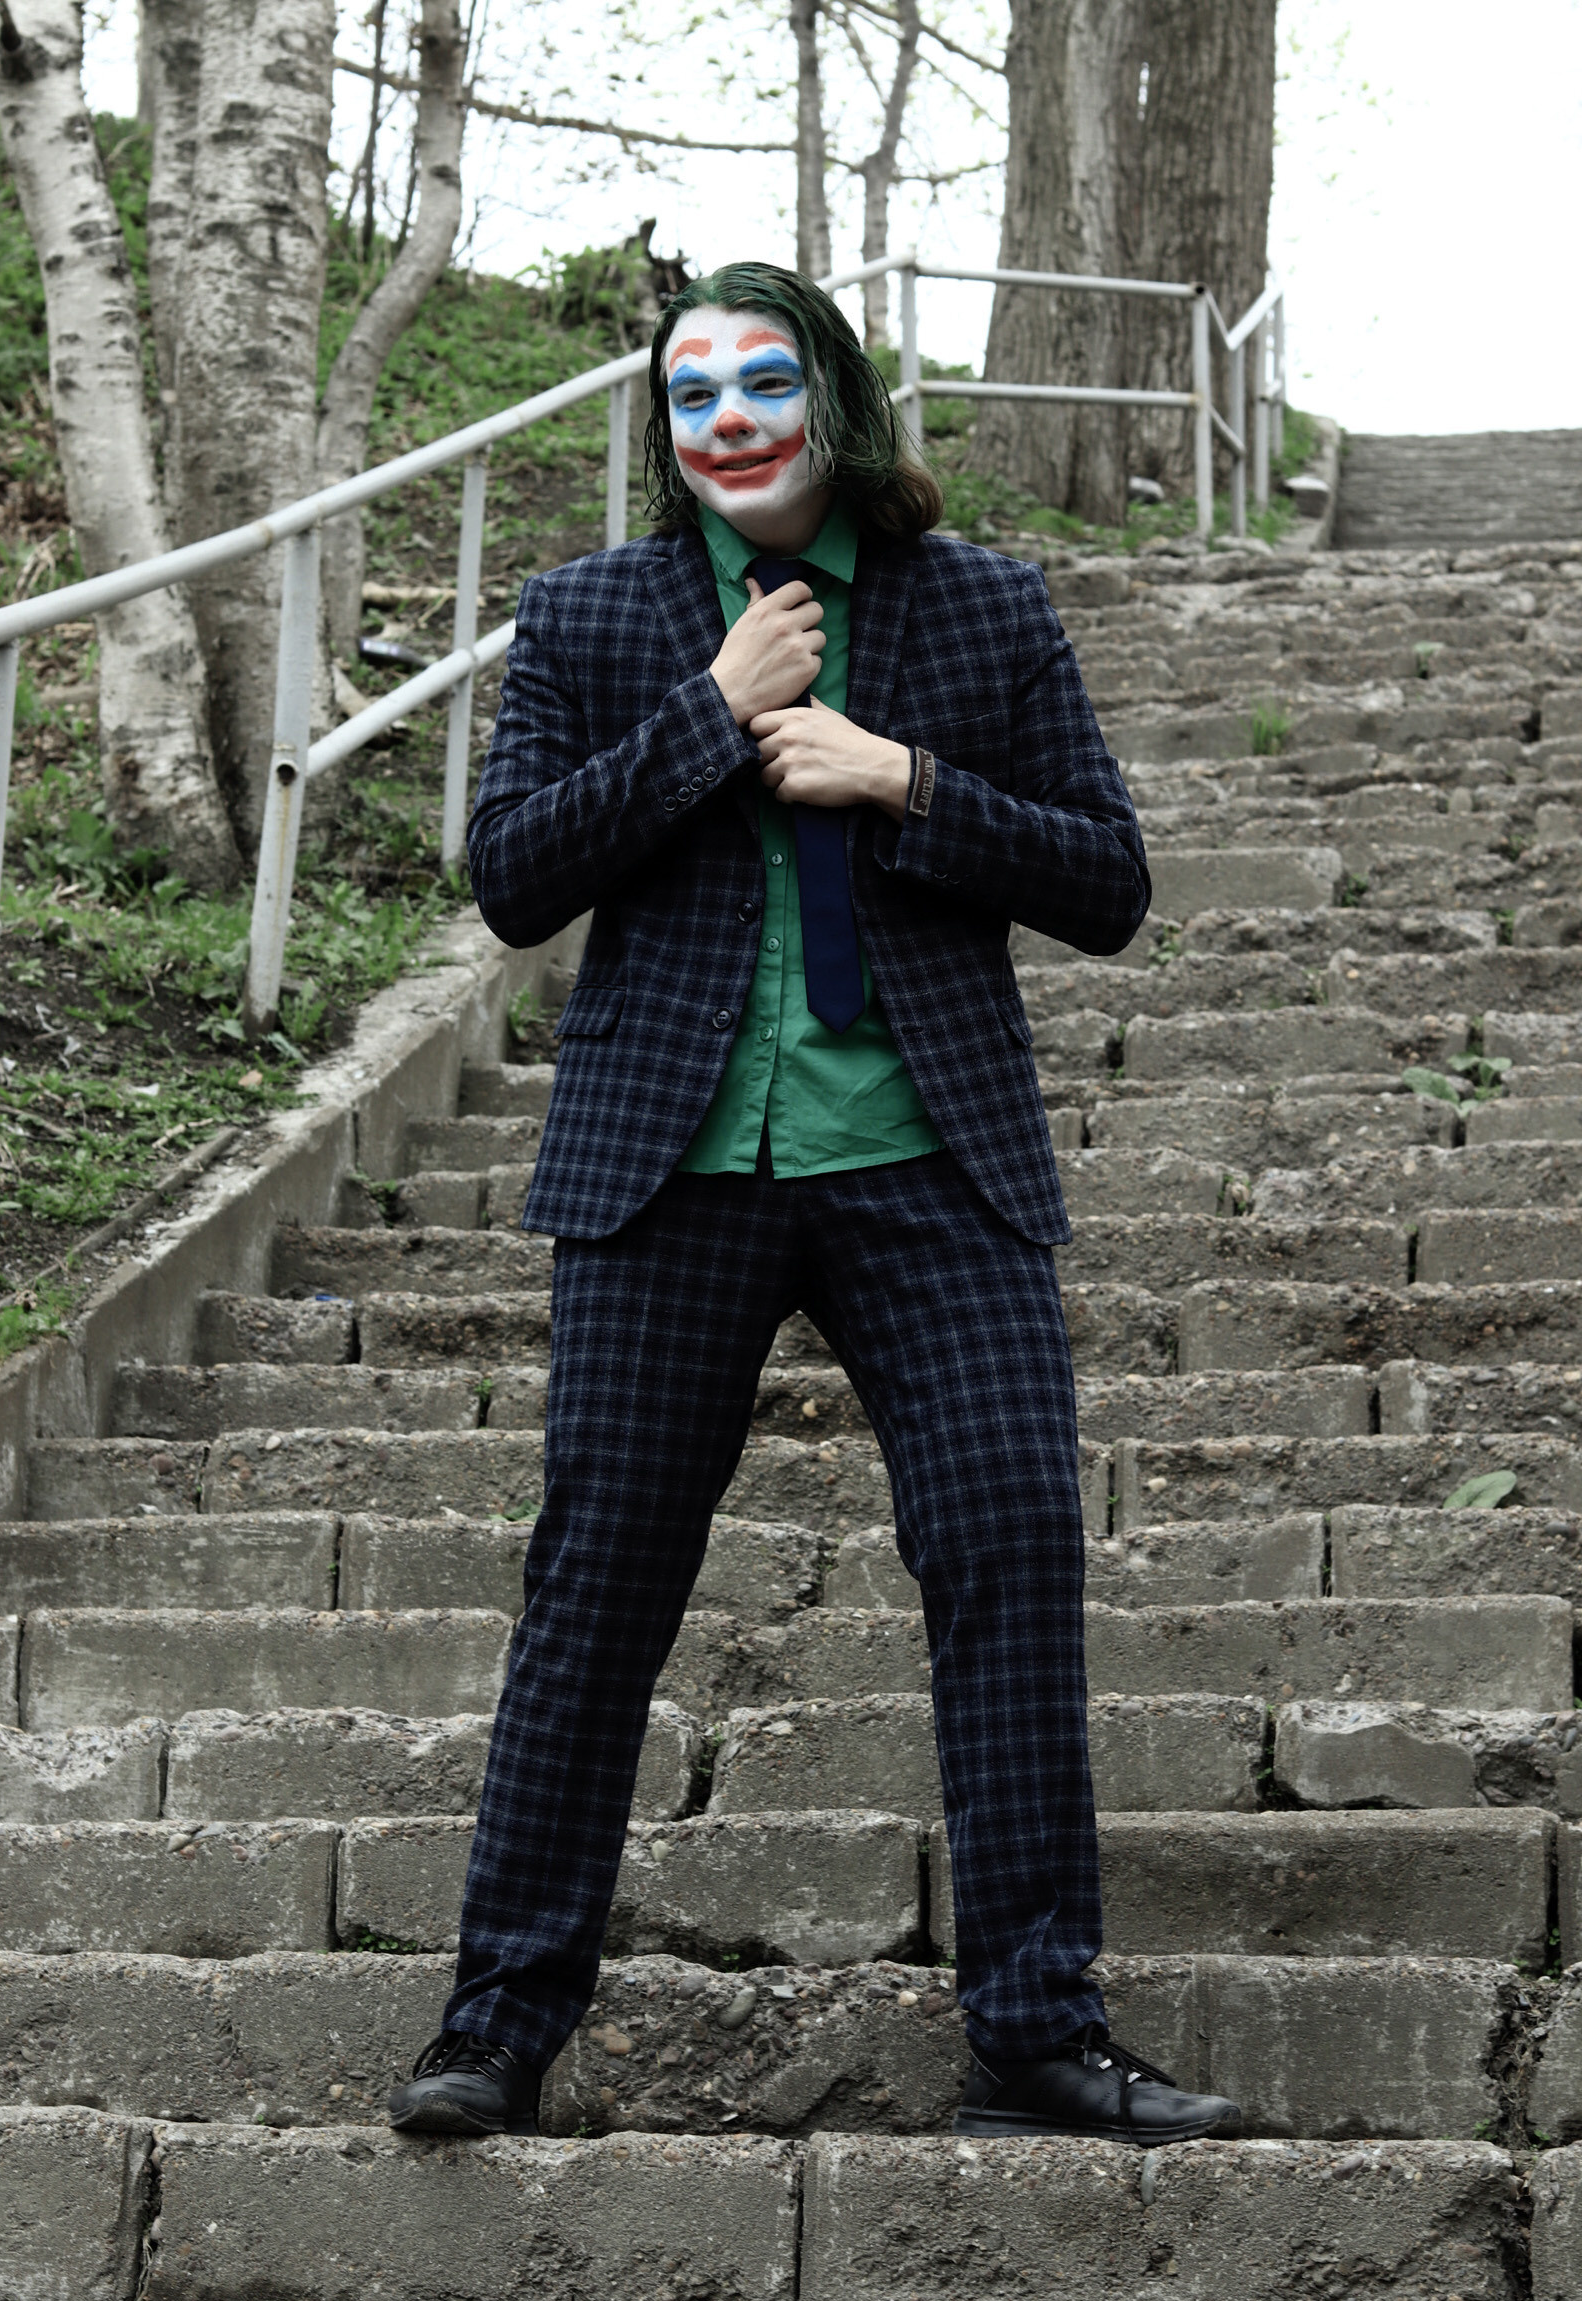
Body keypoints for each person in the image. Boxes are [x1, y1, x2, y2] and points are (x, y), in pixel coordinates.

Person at [387, 260, 1241, 2149]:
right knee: (596, 1591)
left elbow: (1110, 883)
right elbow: (512, 878)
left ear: (834, 400)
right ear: (666, 430)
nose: (731, 422)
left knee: (1012, 1557)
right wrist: (713, 713)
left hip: (930, 1165)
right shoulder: (592, 614)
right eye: (693, 396)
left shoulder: (982, 607)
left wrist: (902, 777)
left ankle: (1036, 2029)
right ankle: (498, 2023)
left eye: (765, 382)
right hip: (669, 1173)